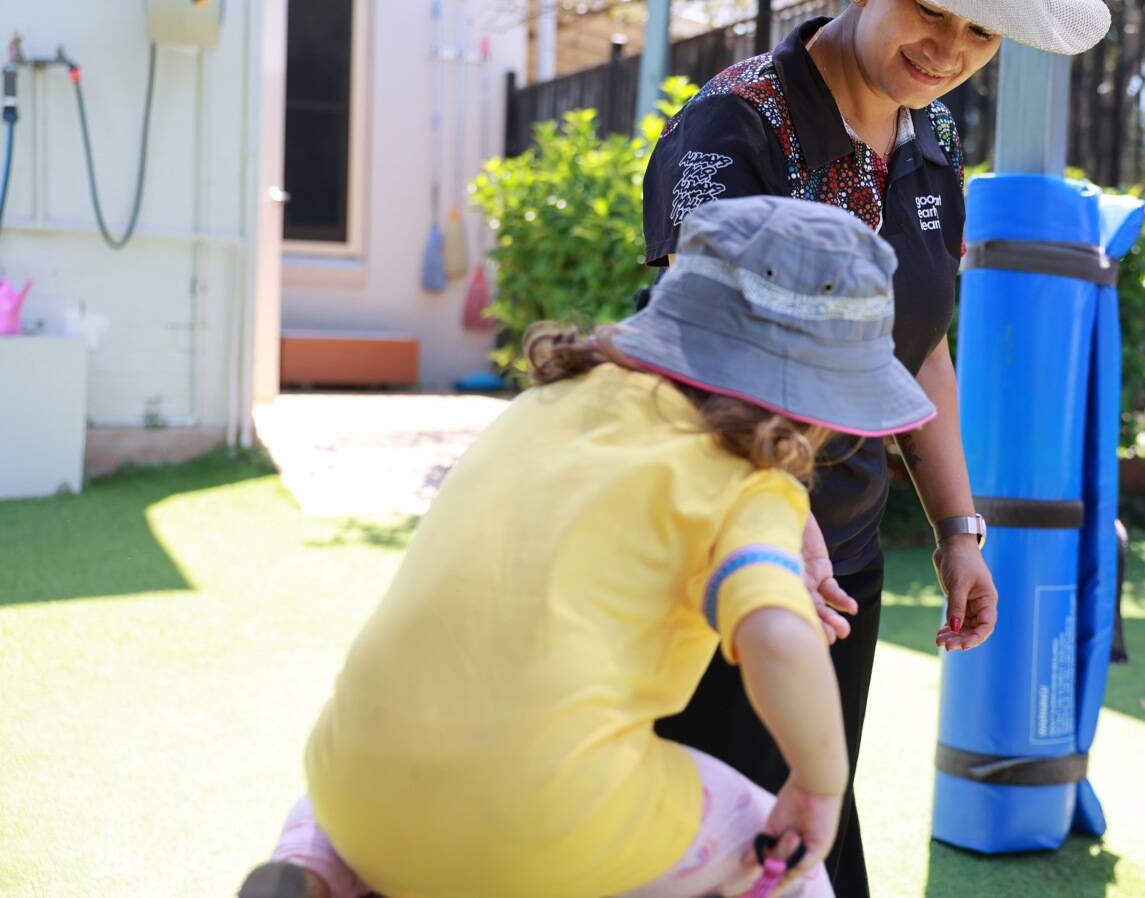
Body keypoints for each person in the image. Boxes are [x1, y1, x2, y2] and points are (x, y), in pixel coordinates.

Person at [641, 0, 1110, 894]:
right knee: (702, 841)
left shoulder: (932, 139)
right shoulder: (736, 125)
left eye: (981, 27)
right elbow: (684, 358)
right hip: (716, 555)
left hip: (843, 560)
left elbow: (920, 346)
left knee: (808, 828)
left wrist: (957, 529)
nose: (948, 45)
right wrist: (771, 512)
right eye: (929, 7)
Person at [238, 196, 937, 898]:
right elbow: (781, 639)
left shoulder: (544, 408)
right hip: (542, 818)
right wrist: (818, 790)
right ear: (811, 409)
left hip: (356, 780)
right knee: (779, 850)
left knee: (362, 787)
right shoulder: (748, 487)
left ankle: (315, 871)